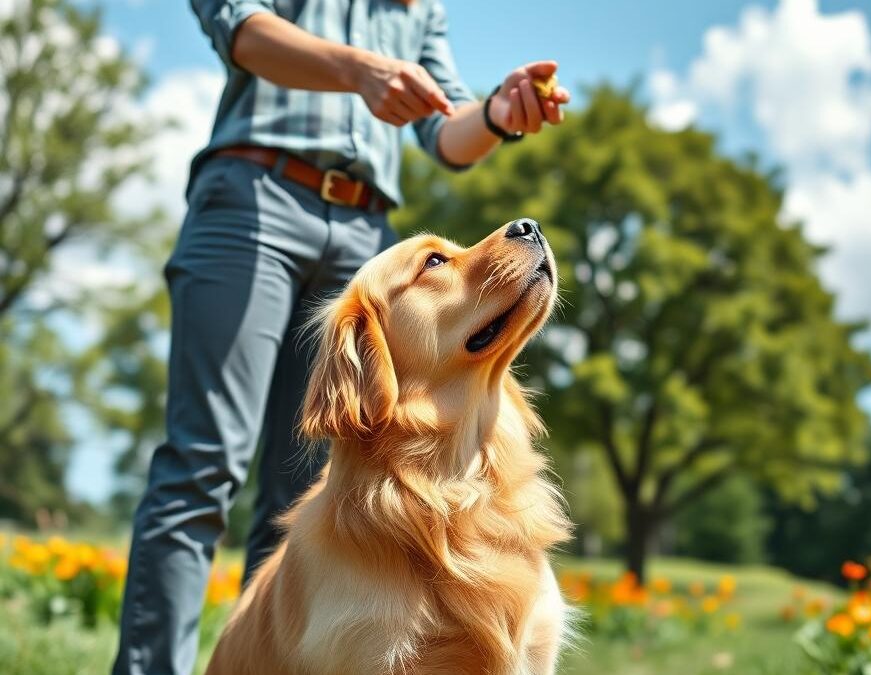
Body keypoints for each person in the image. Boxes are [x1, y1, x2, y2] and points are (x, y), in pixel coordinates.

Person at [111, 1, 569, 674]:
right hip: (254, 196)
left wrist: (499, 113)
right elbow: (239, 29)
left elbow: (447, 132)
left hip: (366, 230)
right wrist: (360, 71)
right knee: (203, 464)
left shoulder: (421, 7)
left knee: (311, 489)